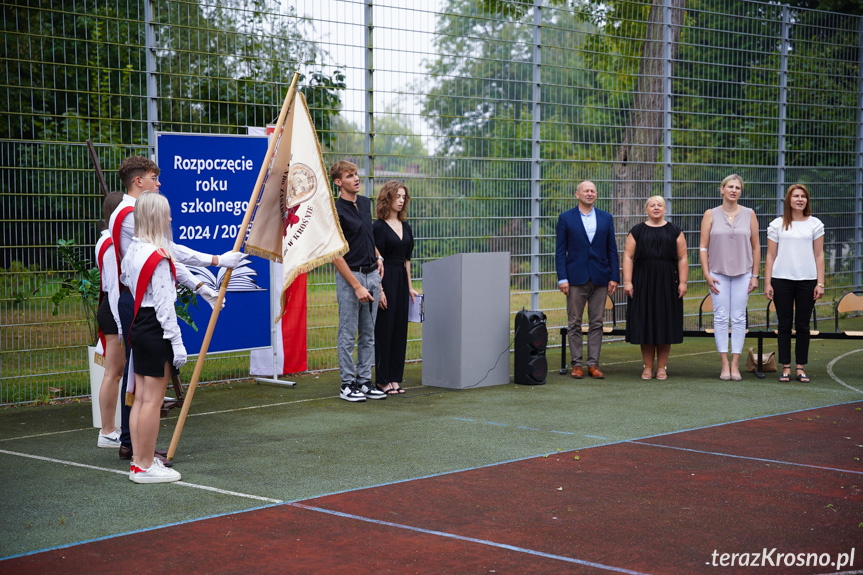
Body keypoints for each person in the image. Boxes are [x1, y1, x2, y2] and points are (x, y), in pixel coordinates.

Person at [110, 156, 246, 464]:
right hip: (146, 311)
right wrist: (215, 262)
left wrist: (201, 285)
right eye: (153, 178)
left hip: (139, 308)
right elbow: (167, 259)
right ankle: (140, 456)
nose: (158, 184)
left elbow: (167, 258)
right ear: (137, 183)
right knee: (147, 395)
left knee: (141, 391)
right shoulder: (134, 216)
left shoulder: (136, 238)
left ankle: (138, 452)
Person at [121, 192, 185, 483]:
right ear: (157, 217)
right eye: (167, 213)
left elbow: (125, 279)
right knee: (152, 401)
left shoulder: (135, 249)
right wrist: (177, 341)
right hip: (155, 328)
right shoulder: (156, 255)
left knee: (142, 399)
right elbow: (164, 306)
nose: (171, 218)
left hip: (139, 324)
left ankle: (139, 462)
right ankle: (145, 465)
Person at [330, 160, 387, 402]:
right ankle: (347, 384)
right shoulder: (334, 210)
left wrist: (378, 256)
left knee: (368, 332)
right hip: (350, 278)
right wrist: (356, 285)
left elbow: (367, 236)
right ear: (338, 182)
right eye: (349, 175)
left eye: (356, 174)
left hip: (372, 274)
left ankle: (364, 381)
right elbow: (335, 253)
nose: (356, 178)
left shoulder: (364, 204)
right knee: (347, 333)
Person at [555, 180, 620, 379]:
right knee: (574, 322)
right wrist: (562, 278)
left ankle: (593, 364)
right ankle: (576, 365)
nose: (589, 194)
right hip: (575, 278)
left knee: (597, 323)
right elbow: (560, 251)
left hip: (600, 277)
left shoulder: (606, 218)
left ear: (596, 194)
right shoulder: (566, 218)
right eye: (586, 191)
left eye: (592, 191)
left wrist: (614, 277)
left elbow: (612, 249)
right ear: (577, 194)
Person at [699, 174, 761, 381]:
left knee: (739, 318)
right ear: (722, 189)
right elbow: (703, 247)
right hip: (717, 273)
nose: (734, 190)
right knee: (721, 317)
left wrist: (755, 275)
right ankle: (724, 364)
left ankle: (736, 364)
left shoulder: (750, 213)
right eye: (730, 187)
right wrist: (706, 274)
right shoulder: (710, 214)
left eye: (738, 188)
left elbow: (756, 246)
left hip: (743, 273)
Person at [764, 184, 825, 383]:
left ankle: (800, 367)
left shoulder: (815, 224)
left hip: (807, 281)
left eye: (803, 196)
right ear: (788, 200)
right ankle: (786, 367)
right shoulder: (777, 224)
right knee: (783, 325)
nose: (800, 199)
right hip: (781, 280)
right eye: (796, 196)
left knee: (803, 325)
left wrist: (820, 283)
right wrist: (767, 283)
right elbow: (771, 256)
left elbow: (819, 255)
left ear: (807, 200)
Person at [622, 196, 688, 380]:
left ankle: (662, 368)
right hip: (643, 282)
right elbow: (628, 256)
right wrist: (628, 282)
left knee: (664, 324)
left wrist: (683, 282)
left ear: (665, 209)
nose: (656, 208)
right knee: (646, 324)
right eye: (652, 205)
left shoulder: (675, 231)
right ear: (646, 209)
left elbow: (683, 257)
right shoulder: (637, 231)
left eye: (660, 205)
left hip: (668, 282)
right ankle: (647, 367)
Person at [374, 180, 419, 395]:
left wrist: (410, 287)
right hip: (385, 278)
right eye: (397, 196)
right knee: (385, 330)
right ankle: (382, 380)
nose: (401, 201)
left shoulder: (406, 226)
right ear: (388, 197)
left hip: (401, 278)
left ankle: (394, 378)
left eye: (403, 197)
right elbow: (376, 261)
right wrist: (380, 290)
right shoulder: (378, 227)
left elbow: (407, 260)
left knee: (400, 329)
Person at [94, 192, 125, 448]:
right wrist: (122, 324)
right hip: (113, 310)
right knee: (113, 373)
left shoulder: (110, 240)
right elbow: (113, 287)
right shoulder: (110, 244)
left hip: (113, 309)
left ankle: (111, 429)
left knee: (116, 372)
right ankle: (107, 430)